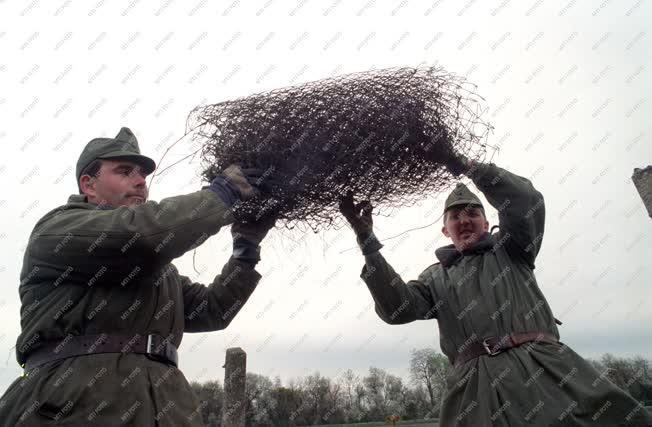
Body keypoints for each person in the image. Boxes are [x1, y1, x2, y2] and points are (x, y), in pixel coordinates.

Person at [340, 156, 652, 426]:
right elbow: (398, 309)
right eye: (455, 216)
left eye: (472, 213)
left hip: (548, 373)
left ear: (487, 221)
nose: (464, 220)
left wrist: (467, 165)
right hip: (475, 392)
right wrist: (368, 245)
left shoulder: (514, 248)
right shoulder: (434, 277)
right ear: (444, 230)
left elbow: (526, 202)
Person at [0, 127, 275, 426]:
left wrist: (245, 251)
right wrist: (223, 194)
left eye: (143, 174)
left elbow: (211, 310)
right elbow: (142, 234)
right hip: (75, 405)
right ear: (88, 184)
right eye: (125, 171)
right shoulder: (57, 231)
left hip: (169, 408)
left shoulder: (157, 270)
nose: (141, 181)